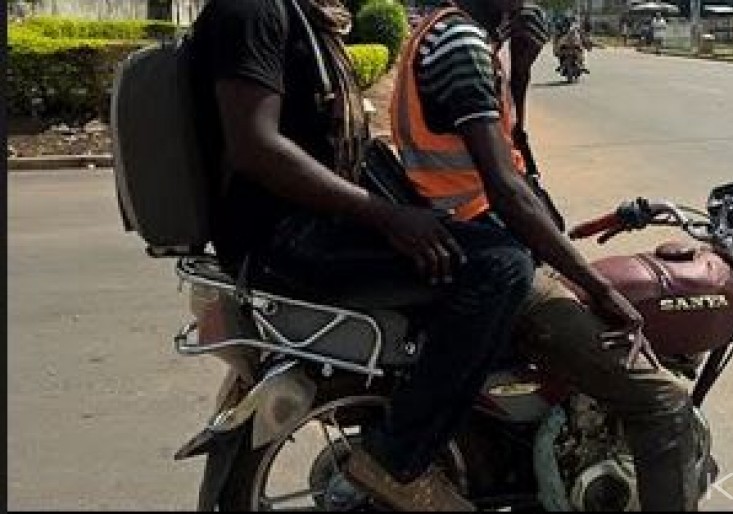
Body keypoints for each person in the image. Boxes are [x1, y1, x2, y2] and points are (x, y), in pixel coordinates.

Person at [188, 0, 536, 510]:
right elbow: (255, 146)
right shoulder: (252, 11)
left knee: (478, 253)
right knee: (500, 268)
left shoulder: (298, 15)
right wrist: (387, 216)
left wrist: (404, 207)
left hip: (311, 223)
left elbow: (328, 143)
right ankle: (397, 462)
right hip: (290, 238)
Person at [356, 0, 703, 510]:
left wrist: (519, 71)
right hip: (491, 254)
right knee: (663, 401)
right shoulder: (460, 43)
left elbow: (510, 156)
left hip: (485, 239)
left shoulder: (451, 34)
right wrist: (599, 287)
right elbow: (507, 191)